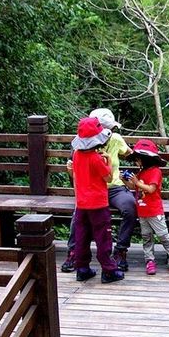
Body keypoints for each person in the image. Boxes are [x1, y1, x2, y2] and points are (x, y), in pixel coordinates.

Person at [62, 108, 136, 272]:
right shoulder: (81, 147)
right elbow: (76, 171)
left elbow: (130, 154)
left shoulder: (116, 139)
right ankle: (74, 252)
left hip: (114, 188)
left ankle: (120, 250)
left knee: (130, 207)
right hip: (94, 192)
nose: (111, 131)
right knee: (79, 216)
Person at [70, 117, 124, 284]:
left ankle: (82, 268)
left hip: (81, 204)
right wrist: (107, 160)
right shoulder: (96, 158)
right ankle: (108, 270)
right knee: (103, 237)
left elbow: (75, 175)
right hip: (98, 204)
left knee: (82, 236)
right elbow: (108, 178)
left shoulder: (77, 155)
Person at [126, 139, 169, 275]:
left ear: (145, 159)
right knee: (147, 237)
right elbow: (134, 187)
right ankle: (149, 260)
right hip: (143, 211)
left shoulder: (155, 171)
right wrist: (126, 180)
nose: (136, 162)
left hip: (154, 211)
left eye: (138, 159)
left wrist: (136, 182)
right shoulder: (141, 172)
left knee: (163, 236)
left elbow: (151, 189)